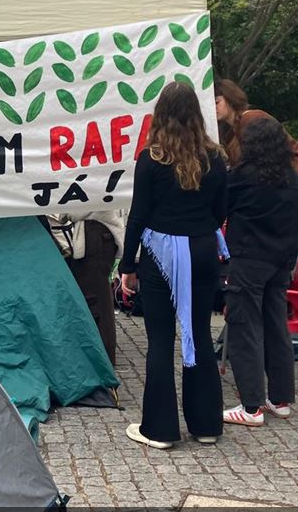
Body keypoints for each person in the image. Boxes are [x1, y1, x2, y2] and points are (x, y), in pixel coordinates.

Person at [119, 81, 228, 449]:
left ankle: (161, 430)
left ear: (160, 114)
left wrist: (127, 264)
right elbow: (220, 209)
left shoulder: (151, 158)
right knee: (198, 333)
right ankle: (206, 425)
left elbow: (137, 215)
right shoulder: (215, 157)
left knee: (160, 341)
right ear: (197, 113)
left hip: (160, 254)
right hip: (201, 250)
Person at [219, 118, 298, 427]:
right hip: (280, 262)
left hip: (248, 261)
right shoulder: (292, 177)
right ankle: (281, 399)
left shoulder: (241, 177)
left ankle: (251, 406)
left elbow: (217, 208)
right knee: (276, 327)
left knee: (245, 328)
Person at [213, 79, 298, 211]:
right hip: (282, 182)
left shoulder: (253, 118)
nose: (213, 107)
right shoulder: (231, 133)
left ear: (230, 98)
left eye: (217, 102)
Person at [49, 211, 126, 366]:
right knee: (98, 299)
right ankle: (101, 356)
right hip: (97, 232)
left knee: (97, 301)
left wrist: (65, 211)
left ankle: (102, 359)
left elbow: (78, 206)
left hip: (95, 233)